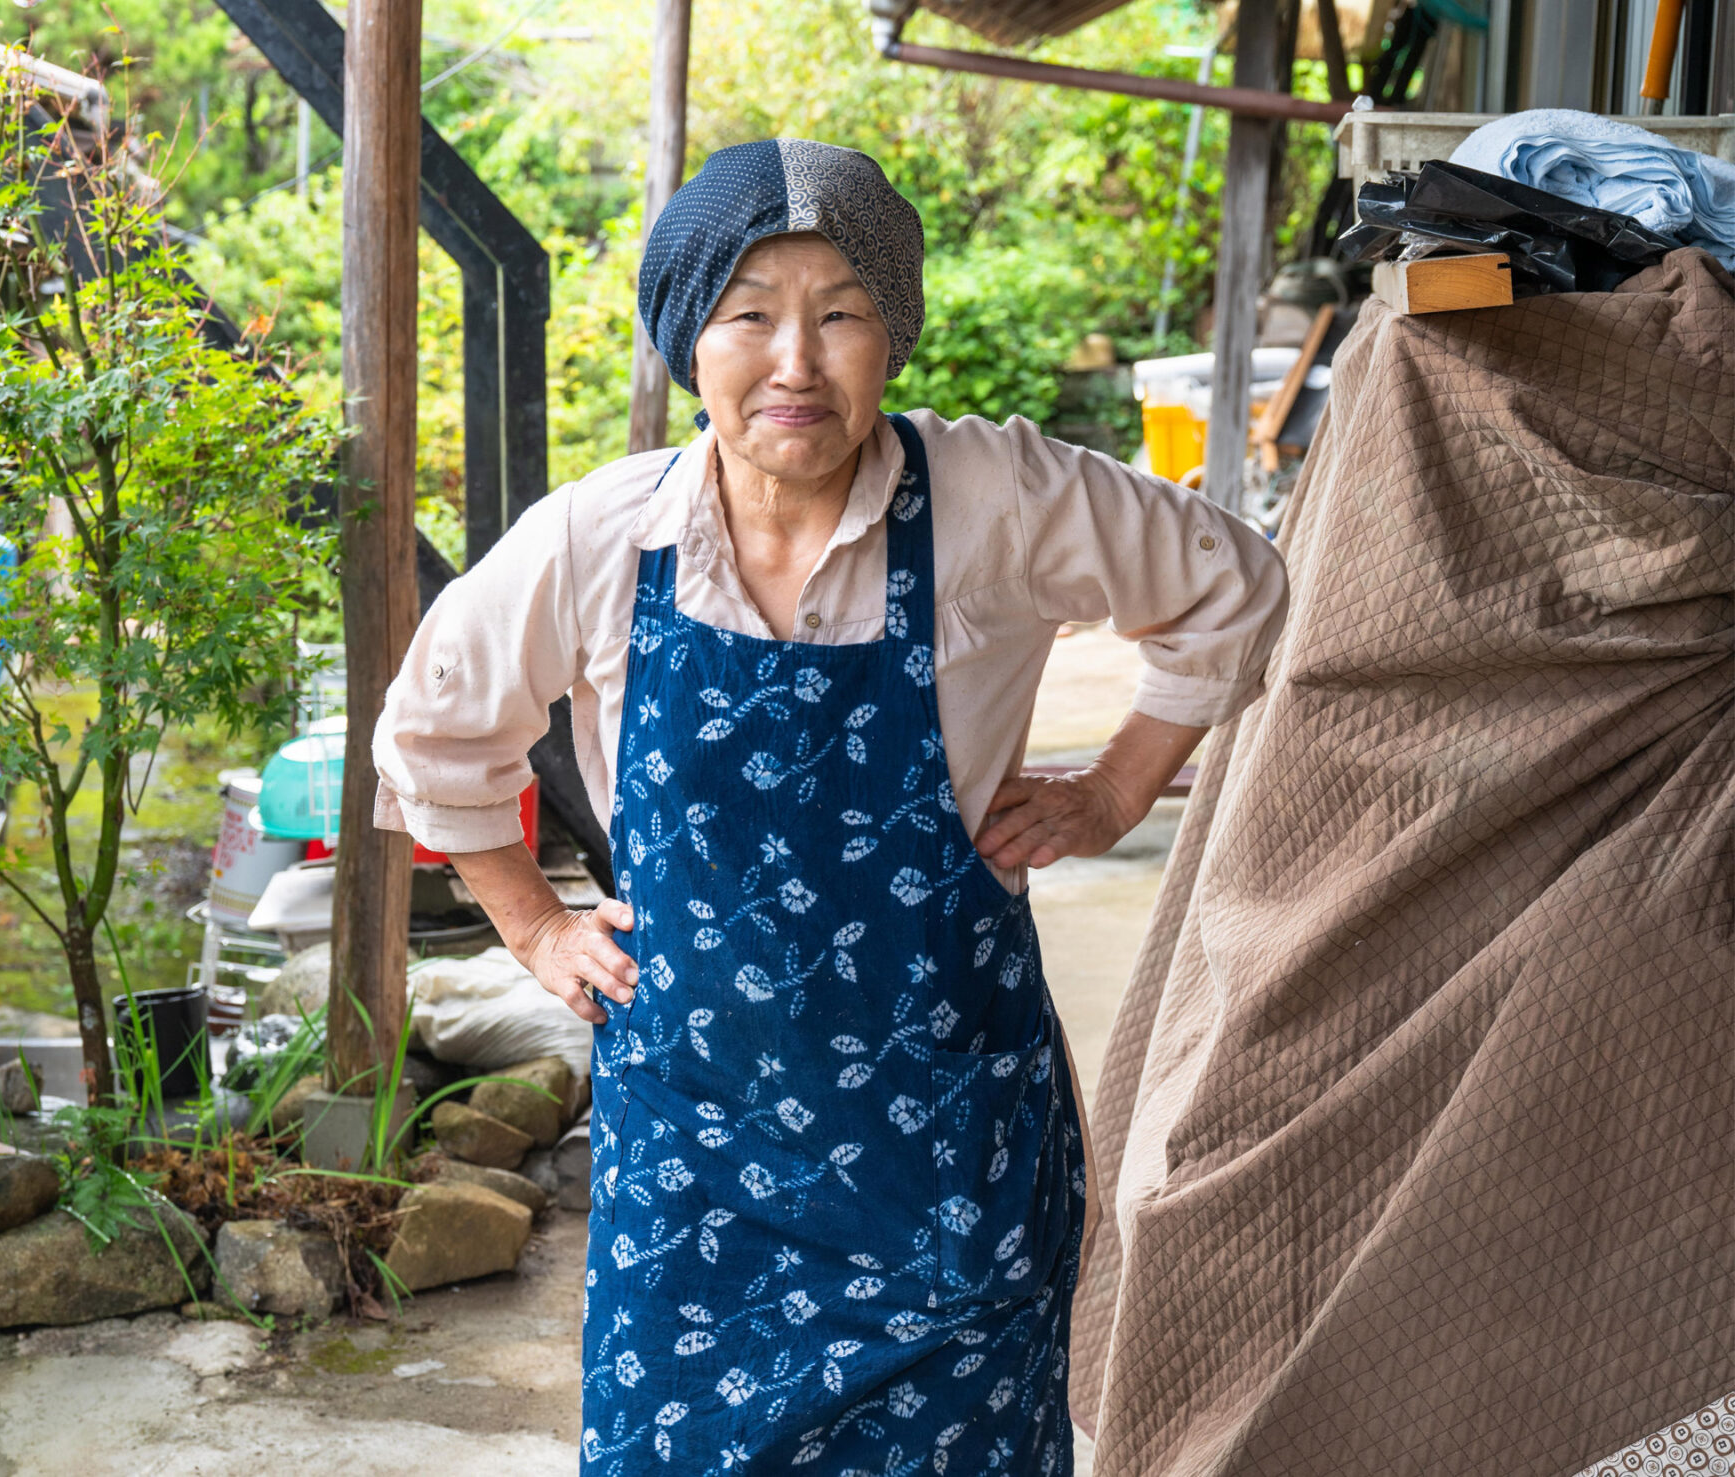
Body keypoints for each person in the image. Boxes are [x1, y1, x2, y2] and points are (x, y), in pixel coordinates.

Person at [374, 139, 1287, 1474]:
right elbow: (437, 726)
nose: (795, 359)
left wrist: (1111, 789)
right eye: (750, 314)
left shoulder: (995, 498)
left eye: (840, 313)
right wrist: (531, 923)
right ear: (693, 341)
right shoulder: (604, 537)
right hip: (697, 1162)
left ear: (892, 338)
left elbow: (1236, 584)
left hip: (946, 1163)